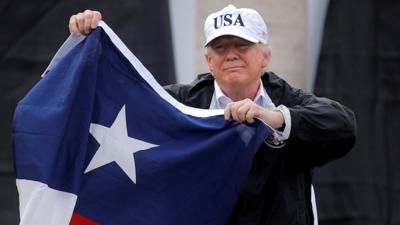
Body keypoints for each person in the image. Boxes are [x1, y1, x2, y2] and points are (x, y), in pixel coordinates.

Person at [69, 5, 356, 225]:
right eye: (220, 47)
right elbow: (114, 100)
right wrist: (87, 42)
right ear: (209, 60)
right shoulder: (181, 101)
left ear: (264, 57)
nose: (231, 54)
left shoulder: (286, 100)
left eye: (242, 45)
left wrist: (273, 118)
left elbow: (343, 125)